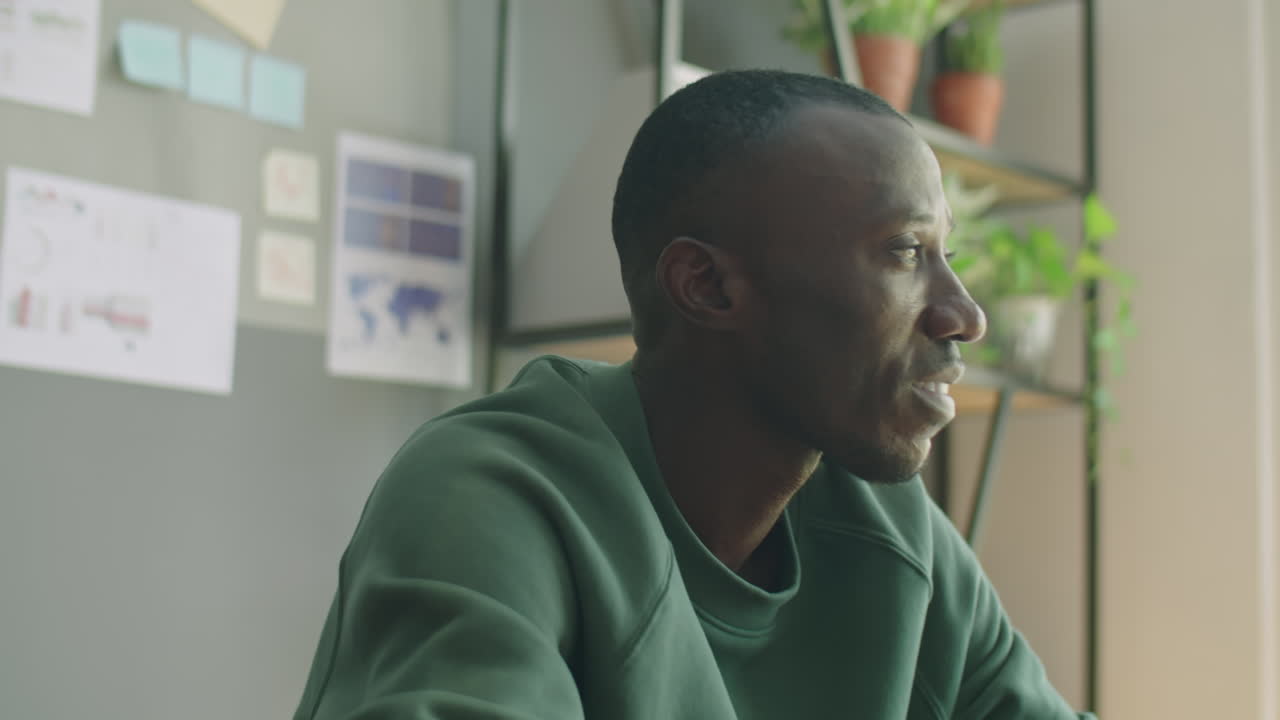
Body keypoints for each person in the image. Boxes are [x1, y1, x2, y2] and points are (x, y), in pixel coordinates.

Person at [293, 69, 1093, 719]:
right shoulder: (491, 496)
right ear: (705, 285)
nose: (965, 316)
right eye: (906, 251)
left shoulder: (891, 526)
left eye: (947, 254)